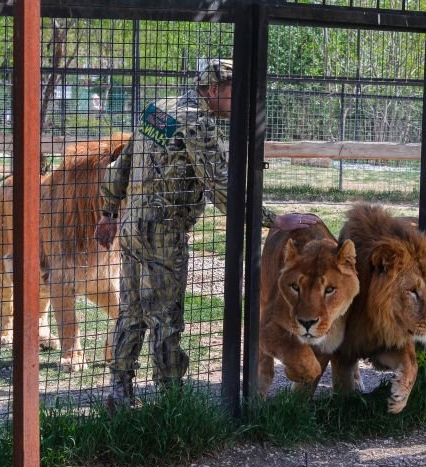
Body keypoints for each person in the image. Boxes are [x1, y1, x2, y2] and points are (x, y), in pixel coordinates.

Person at [94, 59, 319, 408]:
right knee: (166, 318)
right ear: (213, 90)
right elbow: (221, 189)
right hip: (163, 233)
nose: (242, 101)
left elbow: (119, 166)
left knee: (131, 312)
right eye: (235, 93)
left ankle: (119, 392)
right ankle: (171, 401)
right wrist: (274, 219)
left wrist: (108, 213)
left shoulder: (159, 110)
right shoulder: (198, 123)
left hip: (131, 227)